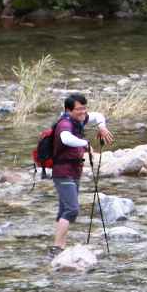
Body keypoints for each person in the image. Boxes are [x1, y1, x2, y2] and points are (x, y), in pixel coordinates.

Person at [48, 93, 113, 256]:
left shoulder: (79, 119)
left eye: (84, 108)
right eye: (79, 109)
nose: (83, 112)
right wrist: (86, 143)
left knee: (65, 209)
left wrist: (102, 126)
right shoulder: (64, 123)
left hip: (73, 171)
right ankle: (56, 247)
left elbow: (98, 116)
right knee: (72, 209)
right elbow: (65, 139)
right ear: (68, 110)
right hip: (63, 172)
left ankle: (59, 247)